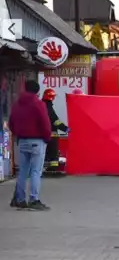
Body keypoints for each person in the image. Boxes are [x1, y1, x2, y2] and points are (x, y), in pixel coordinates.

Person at [9, 80, 52, 210]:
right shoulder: (38, 104)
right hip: (37, 141)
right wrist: (47, 137)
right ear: (37, 91)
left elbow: (11, 123)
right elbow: (45, 123)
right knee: (35, 171)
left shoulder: (16, 104)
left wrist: (18, 133)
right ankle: (34, 199)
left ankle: (20, 199)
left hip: (22, 141)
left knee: (22, 171)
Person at [41, 88, 68, 165]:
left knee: (46, 152)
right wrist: (66, 129)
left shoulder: (42, 105)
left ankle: (46, 167)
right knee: (53, 153)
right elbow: (55, 121)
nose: (54, 98)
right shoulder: (48, 106)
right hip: (52, 133)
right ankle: (53, 169)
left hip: (43, 133)